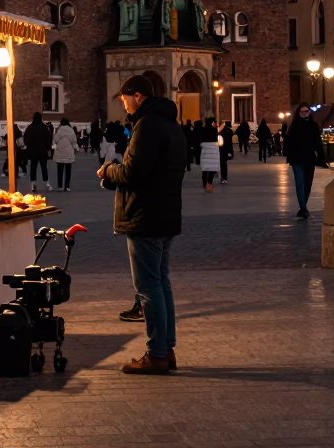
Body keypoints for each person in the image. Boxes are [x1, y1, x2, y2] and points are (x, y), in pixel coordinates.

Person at [98, 74, 186, 375]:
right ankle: (167, 348)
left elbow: (134, 173)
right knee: (161, 283)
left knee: (148, 286)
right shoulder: (172, 124)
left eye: (124, 99)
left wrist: (108, 171)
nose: (124, 105)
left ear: (137, 96)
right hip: (165, 213)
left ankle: (157, 353)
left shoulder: (147, 126)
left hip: (144, 215)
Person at [285, 102, 329, 218]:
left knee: (308, 184)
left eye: (307, 111)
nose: (305, 114)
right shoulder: (294, 126)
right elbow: (288, 143)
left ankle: (302, 207)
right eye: (302, 112)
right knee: (299, 183)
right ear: (298, 113)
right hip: (297, 159)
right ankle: (304, 208)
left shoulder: (313, 125)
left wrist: (322, 158)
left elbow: (318, 143)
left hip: (309, 159)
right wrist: (289, 158)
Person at [24, 112, 53, 192]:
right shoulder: (44, 127)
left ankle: (33, 184)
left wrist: (29, 147)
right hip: (42, 151)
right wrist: (48, 148)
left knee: (33, 168)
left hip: (33, 151)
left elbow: (26, 139)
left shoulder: (30, 127)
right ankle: (47, 184)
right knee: (44, 167)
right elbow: (48, 138)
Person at [52, 117, 78, 190]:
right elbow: (74, 141)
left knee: (60, 170)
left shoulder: (59, 130)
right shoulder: (71, 130)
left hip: (60, 151)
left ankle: (60, 186)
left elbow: (55, 140)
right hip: (69, 151)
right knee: (68, 170)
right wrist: (75, 150)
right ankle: (67, 186)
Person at [199, 117, 220, 190]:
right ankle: (210, 182)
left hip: (205, 148)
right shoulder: (214, 129)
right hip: (213, 149)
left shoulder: (202, 129)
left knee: (205, 167)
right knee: (212, 167)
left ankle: (204, 183)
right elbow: (216, 138)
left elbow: (200, 138)